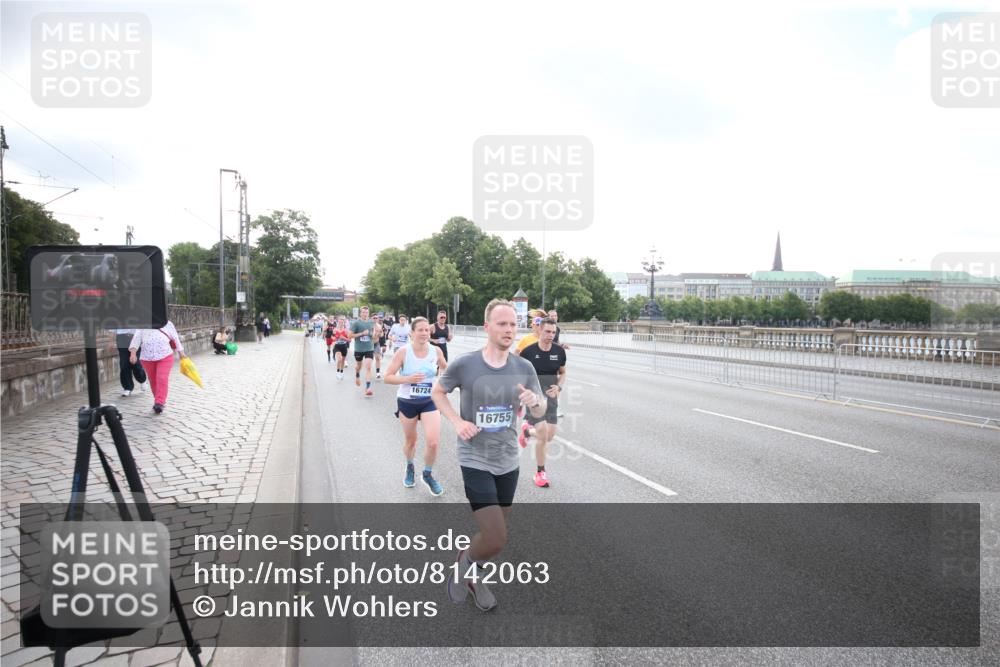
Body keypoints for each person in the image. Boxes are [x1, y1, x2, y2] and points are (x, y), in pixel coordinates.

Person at [432, 298, 545, 611]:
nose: (509, 329)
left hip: (508, 460)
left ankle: (474, 577)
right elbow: (437, 392)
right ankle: (464, 562)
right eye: (502, 324)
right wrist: (457, 421)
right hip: (474, 458)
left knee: (493, 532)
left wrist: (534, 401)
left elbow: (540, 408)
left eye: (513, 324)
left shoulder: (524, 367)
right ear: (487, 327)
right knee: (496, 538)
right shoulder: (466, 365)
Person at [384, 317, 448, 495]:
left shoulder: (436, 351)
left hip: (429, 401)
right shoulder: (403, 352)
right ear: (412, 333)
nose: (424, 333)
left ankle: (427, 474)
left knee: (433, 442)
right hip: (407, 402)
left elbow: (447, 370)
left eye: (427, 330)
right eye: (420, 330)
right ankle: (410, 466)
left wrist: (446, 383)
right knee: (411, 441)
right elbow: (387, 377)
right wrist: (407, 379)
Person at [518, 318, 567, 488]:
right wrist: (524, 392)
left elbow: (563, 373)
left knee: (549, 435)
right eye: (547, 331)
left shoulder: (559, 352)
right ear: (539, 329)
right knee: (542, 432)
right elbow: (515, 372)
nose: (550, 336)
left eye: (553, 332)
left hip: (552, 397)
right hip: (535, 398)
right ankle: (540, 472)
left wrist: (559, 387)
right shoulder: (527, 352)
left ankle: (526, 432)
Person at [128, 320, 187, 414]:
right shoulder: (142, 323)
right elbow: (136, 338)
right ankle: (158, 400)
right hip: (147, 358)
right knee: (153, 380)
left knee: (161, 378)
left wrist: (181, 352)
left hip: (165, 355)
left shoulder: (167, 323)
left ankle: (159, 403)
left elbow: (175, 337)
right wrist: (133, 353)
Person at [112, 328, 147, 396]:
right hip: (121, 337)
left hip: (136, 336)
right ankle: (127, 387)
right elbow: (112, 328)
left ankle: (142, 379)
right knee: (124, 363)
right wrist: (111, 341)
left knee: (136, 363)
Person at [350, 306, 377, 396]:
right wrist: (362, 333)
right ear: (360, 313)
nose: (365, 314)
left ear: (368, 313)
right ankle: (357, 374)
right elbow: (350, 335)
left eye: (366, 312)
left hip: (369, 348)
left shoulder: (371, 322)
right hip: (359, 349)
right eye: (363, 312)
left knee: (368, 367)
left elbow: (372, 334)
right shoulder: (356, 323)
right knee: (359, 366)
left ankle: (368, 387)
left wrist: (372, 334)